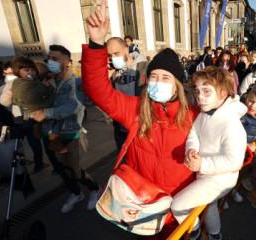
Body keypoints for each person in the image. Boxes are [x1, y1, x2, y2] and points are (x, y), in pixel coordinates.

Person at [83, 1, 200, 237]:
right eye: (154, 76)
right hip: (141, 204)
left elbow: (223, 147)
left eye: (165, 77)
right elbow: (97, 90)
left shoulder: (195, 116)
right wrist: (96, 44)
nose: (157, 82)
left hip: (177, 207)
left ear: (177, 86)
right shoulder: (136, 109)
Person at [171, 66, 247, 240]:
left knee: (178, 206)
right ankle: (215, 235)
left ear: (223, 94)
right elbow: (195, 134)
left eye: (206, 91)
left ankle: (195, 232)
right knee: (210, 205)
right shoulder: (206, 113)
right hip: (208, 174)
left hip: (220, 179)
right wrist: (192, 149)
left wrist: (203, 164)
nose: (200, 97)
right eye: (197, 92)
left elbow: (235, 161)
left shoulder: (231, 124)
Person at [30, 44, 100, 213]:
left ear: (67, 62)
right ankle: (76, 193)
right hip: (49, 134)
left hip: (69, 134)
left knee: (74, 171)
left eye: (55, 59)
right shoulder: (45, 80)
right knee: (60, 170)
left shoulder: (76, 82)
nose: (51, 62)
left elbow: (74, 107)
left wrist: (45, 113)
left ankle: (94, 188)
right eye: (49, 58)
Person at [0, 56, 66, 153]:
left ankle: (39, 160)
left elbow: (38, 78)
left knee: (35, 142)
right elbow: (30, 97)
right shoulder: (19, 84)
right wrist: (42, 87)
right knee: (26, 142)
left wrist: (47, 74)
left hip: (29, 118)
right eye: (27, 70)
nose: (31, 72)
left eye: (33, 69)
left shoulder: (29, 80)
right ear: (18, 72)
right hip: (25, 119)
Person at [107, 37, 148, 150]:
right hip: (121, 128)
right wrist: (105, 79)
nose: (113, 58)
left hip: (140, 127)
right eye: (110, 55)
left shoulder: (143, 67)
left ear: (126, 50)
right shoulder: (112, 71)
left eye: (116, 53)